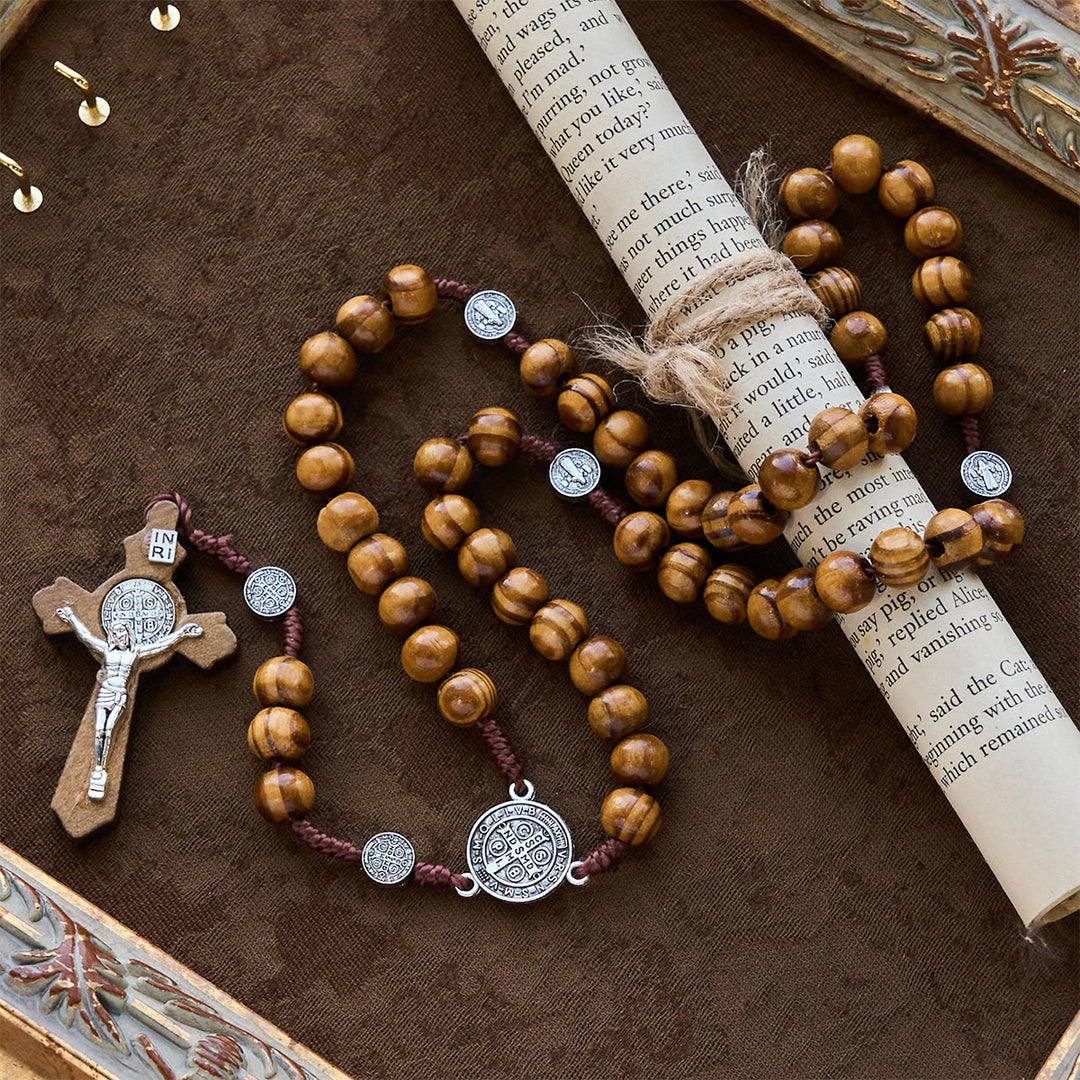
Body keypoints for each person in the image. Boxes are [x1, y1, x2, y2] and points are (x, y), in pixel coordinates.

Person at [55, 606, 202, 800]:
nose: (120, 636)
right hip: (104, 693)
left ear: (128, 633)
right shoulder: (106, 651)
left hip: (119, 695)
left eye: (123, 632)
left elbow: (162, 645)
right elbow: (85, 636)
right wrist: (71, 617)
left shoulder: (135, 654)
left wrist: (182, 633)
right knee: (98, 731)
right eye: (116, 633)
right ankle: (98, 769)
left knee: (108, 731)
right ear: (113, 637)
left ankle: (100, 770)